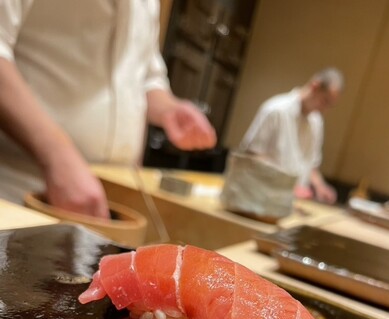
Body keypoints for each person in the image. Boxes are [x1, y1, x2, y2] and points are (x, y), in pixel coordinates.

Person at [0, 0, 217, 219]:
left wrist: (168, 108)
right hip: (19, 188)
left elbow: (145, 76)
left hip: (111, 198)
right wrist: (56, 155)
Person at [239, 67, 343, 204]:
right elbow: (252, 156)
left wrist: (320, 187)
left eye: (330, 105)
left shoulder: (317, 122)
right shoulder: (276, 110)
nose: (324, 110)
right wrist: (284, 184)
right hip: (261, 199)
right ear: (315, 86)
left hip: (293, 203)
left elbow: (311, 165)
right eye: (325, 101)